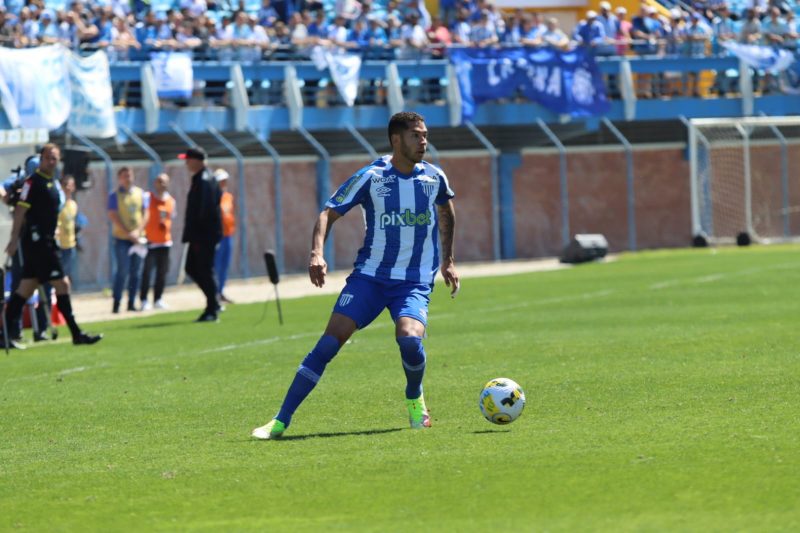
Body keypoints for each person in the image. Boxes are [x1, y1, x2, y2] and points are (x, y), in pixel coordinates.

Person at [252, 111, 459, 440]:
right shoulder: (371, 177)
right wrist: (317, 253)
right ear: (396, 140)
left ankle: (414, 396)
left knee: (409, 339)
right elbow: (328, 213)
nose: (424, 141)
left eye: (425, 135)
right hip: (370, 278)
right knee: (328, 344)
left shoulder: (434, 177)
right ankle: (279, 421)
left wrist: (447, 261)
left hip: (413, 281)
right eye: (416, 135)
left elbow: (446, 211)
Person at [2, 144, 101, 349]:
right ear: (41, 159)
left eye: (54, 158)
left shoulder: (52, 182)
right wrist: (13, 240)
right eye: (47, 158)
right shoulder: (33, 182)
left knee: (24, 290)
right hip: (39, 243)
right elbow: (20, 211)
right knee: (62, 284)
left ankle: (4, 334)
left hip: (45, 242)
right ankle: (76, 333)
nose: (51, 162)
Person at [180, 147, 222, 322]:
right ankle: (214, 302)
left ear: (197, 160)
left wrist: (196, 233)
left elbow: (203, 211)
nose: (186, 163)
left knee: (203, 269)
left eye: (188, 159)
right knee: (193, 268)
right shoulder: (206, 177)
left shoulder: (204, 180)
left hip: (202, 235)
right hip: (204, 234)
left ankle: (213, 307)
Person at [108, 166, 149, 313]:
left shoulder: (140, 193)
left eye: (129, 175)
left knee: (136, 272)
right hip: (122, 238)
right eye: (124, 175)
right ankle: (117, 303)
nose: (128, 178)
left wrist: (137, 232)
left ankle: (131, 302)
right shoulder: (114, 195)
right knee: (122, 271)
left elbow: (146, 213)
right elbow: (113, 215)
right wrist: (128, 232)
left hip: (138, 239)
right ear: (119, 178)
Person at [140, 173, 176, 310]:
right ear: (155, 183)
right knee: (147, 272)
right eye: (160, 181)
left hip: (165, 242)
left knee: (162, 273)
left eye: (165, 181)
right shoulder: (148, 197)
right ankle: (144, 300)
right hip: (151, 242)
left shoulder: (171, 201)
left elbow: (171, 218)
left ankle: (158, 298)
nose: (162, 184)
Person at [213, 168, 236, 305]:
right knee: (216, 265)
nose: (223, 183)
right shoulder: (212, 197)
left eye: (224, 180)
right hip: (217, 236)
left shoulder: (228, 196)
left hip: (228, 235)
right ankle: (214, 293)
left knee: (224, 265)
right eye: (221, 180)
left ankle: (221, 291)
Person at [56, 175, 79, 284]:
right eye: (65, 185)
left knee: (66, 275)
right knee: (58, 277)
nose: (68, 188)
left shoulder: (73, 204)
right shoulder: (58, 204)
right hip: (58, 245)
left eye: (71, 185)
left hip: (70, 244)